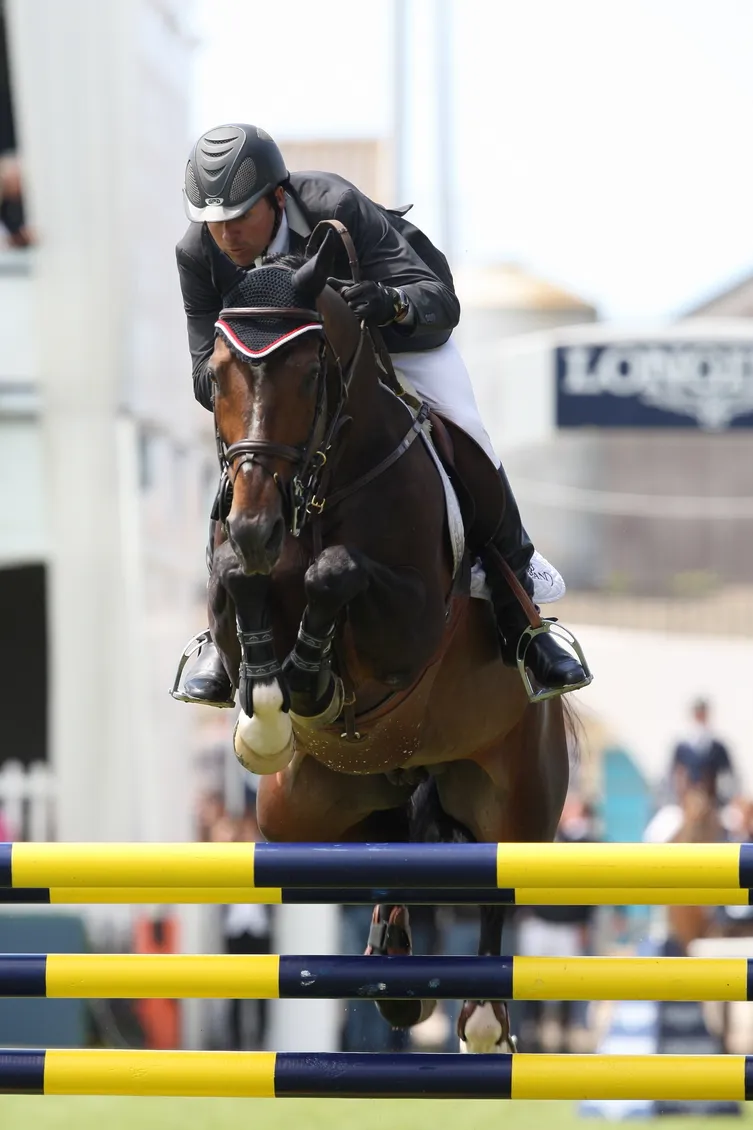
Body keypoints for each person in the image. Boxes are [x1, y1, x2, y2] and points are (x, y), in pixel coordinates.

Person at [173, 122, 590, 706]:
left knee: (463, 429)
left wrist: (390, 303)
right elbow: (200, 375)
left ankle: (518, 600)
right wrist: (234, 375)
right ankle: (222, 639)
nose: (226, 235)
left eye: (238, 217)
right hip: (282, 378)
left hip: (395, 339)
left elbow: (440, 302)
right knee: (242, 464)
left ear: (276, 197)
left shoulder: (336, 207)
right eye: (213, 221)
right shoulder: (197, 254)